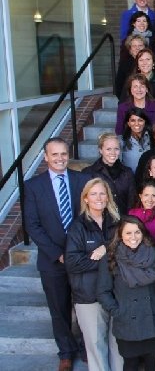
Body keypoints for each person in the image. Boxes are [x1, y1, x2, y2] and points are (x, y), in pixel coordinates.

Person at [24, 137, 92, 370]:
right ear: (46, 157)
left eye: (63, 153)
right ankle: (66, 352)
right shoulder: (33, 186)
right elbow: (32, 225)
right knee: (59, 309)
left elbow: (89, 216)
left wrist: (77, 251)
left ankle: (86, 348)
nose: (60, 158)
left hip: (81, 257)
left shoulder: (82, 180)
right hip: (52, 260)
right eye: (54, 154)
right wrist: (58, 253)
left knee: (85, 305)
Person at [64, 178, 122, 371]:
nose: (99, 198)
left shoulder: (117, 223)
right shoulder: (78, 227)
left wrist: (106, 248)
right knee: (96, 347)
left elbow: (125, 252)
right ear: (86, 198)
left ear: (108, 197)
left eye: (102, 193)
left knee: (118, 346)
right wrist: (101, 258)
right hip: (88, 296)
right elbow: (72, 262)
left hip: (115, 294)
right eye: (94, 194)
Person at [96, 215, 155, 371]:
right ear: (120, 235)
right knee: (130, 365)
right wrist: (118, 311)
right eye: (128, 233)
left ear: (143, 233)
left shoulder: (153, 253)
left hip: (152, 321)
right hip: (127, 322)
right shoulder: (111, 257)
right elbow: (103, 292)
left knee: (153, 364)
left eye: (137, 232)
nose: (133, 237)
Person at [82, 132, 136, 215]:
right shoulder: (89, 173)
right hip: (99, 220)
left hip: (123, 220)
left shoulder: (128, 173)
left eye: (116, 149)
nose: (113, 152)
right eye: (108, 149)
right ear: (100, 150)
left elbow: (132, 203)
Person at [116, 34, 149, 98]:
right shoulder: (124, 64)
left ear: (145, 47)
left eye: (140, 45)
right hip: (129, 99)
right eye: (134, 46)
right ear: (130, 49)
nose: (137, 48)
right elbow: (119, 86)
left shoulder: (151, 61)